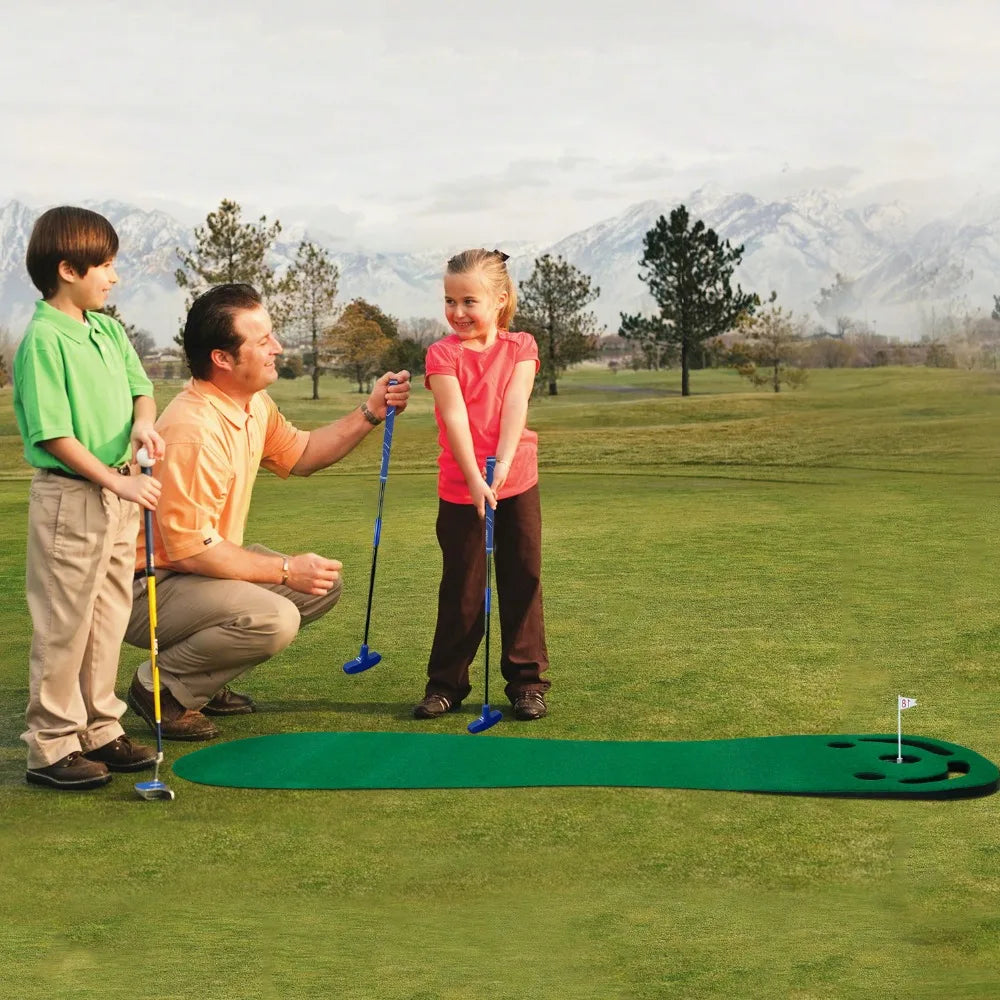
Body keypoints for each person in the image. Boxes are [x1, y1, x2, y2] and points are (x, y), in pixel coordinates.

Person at [123, 282, 410, 741]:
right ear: (222, 358)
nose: (277, 348)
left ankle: (203, 682)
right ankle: (163, 688)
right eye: (263, 342)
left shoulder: (251, 403)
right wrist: (283, 569)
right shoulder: (193, 431)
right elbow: (189, 551)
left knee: (320, 587)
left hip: (193, 569)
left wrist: (370, 412)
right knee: (275, 617)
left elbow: (303, 453)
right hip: (144, 588)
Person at [13, 206, 165, 790]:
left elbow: (141, 389)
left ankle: (100, 729)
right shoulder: (43, 341)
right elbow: (54, 434)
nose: (114, 276)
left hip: (118, 492)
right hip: (73, 497)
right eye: (104, 265)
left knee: (107, 616)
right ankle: (50, 746)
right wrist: (118, 480)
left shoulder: (105, 328)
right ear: (67, 269)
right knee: (64, 622)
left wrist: (141, 427)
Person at [414, 248, 550, 722]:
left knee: (522, 579)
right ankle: (447, 684)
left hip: (517, 479)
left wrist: (504, 466)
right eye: (450, 301)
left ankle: (527, 685)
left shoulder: (522, 347)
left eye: (469, 301)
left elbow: (516, 404)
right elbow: (453, 417)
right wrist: (475, 478)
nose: (457, 313)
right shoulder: (442, 353)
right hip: (460, 485)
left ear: (499, 300)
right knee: (463, 588)